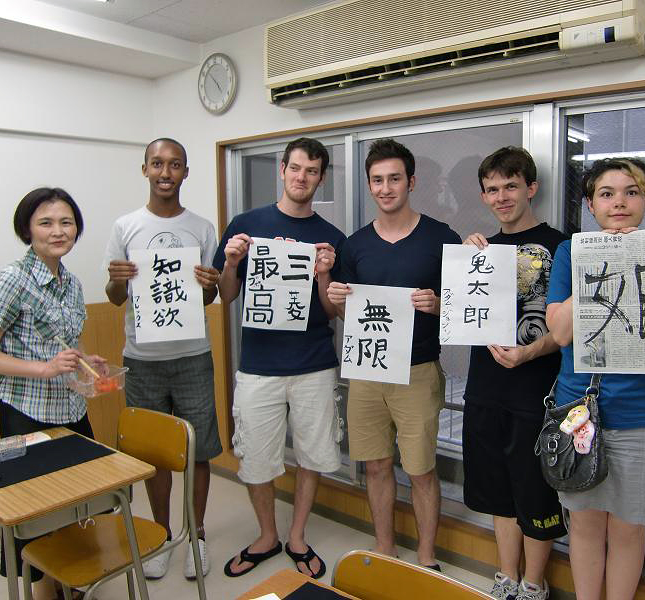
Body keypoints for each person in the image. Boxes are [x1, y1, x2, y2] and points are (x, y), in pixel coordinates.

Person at [546, 158, 645, 600]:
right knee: (586, 525)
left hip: (642, 415)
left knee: (630, 528)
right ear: (590, 205)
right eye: (606, 194)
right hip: (580, 414)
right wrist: (600, 261)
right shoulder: (571, 252)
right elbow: (560, 331)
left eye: (631, 192)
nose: (619, 203)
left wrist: (632, 257)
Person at [327, 138, 461, 570]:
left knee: (421, 469)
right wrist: (333, 295)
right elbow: (350, 314)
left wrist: (440, 305)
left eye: (395, 179)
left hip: (418, 371)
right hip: (366, 369)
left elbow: (467, 311)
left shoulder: (442, 238)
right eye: (378, 180)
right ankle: (385, 547)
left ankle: (426, 556)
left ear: (411, 182)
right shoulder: (356, 245)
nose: (386, 188)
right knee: (376, 465)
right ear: (369, 185)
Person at [0, 187, 107, 600]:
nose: (58, 231)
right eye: (46, 222)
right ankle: (46, 593)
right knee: (38, 515)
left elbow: (63, 346)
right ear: (27, 229)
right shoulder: (11, 280)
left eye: (66, 222)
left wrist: (85, 363)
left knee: (79, 505)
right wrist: (44, 369)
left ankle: (70, 582)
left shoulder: (72, 282)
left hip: (70, 407)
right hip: (26, 414)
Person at [215, 137, 344, 579]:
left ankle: (298, 536)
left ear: (321, 178)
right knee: (255, 456)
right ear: (282, 170)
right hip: (259, 366)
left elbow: (333, 311)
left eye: (312, 171)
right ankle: (267, 534)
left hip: (314, 363)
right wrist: (231, 262)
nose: (302, 177)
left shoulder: (331, 237)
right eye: (295, 168)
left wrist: (325, 274)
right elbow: (226, 297)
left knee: (312, 453)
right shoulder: (246, 224)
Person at [104, 137, 222, 580]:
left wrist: (210, 283)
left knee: (199, 449)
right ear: (145, 170)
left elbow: (208, 296)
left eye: (175, 165)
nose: (166, 172)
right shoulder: (125, 226)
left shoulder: (202, 227)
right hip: (142, 357)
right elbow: (115, 298)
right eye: (158, 163)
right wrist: (117, 280)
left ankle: (197, 536)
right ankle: (159, 535)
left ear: (186, 173)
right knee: (154, 452)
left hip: (193, 354)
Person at [462, 147, 568, 600]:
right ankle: (506, 577)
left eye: (510, 186)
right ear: (483, 196)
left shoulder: (561, 245)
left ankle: (533, 583)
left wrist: (529, 354)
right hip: (485, 388)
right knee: (496, 490)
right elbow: (462, 314)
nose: (501, 196)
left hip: (537, 391)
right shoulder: (479, 250)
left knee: (534, 490)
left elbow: (570, 326)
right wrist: (462, 263)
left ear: (531, 187)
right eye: (491, 189)